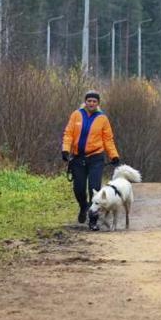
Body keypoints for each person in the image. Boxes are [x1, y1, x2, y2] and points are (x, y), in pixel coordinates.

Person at [61, 90, 121, 231]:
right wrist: (65, 150)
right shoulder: (76, 115)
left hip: (96, 158)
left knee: (95, 188)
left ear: (98, 103)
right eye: (89, 101)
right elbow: (68, 133)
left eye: (94, 101)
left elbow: (108, 139)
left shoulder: (102, 119)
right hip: (77, 158)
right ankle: (83, 207)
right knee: (79, 188)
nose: (91, 103)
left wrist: (114, 155)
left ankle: (93, 221)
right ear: (85, 101)